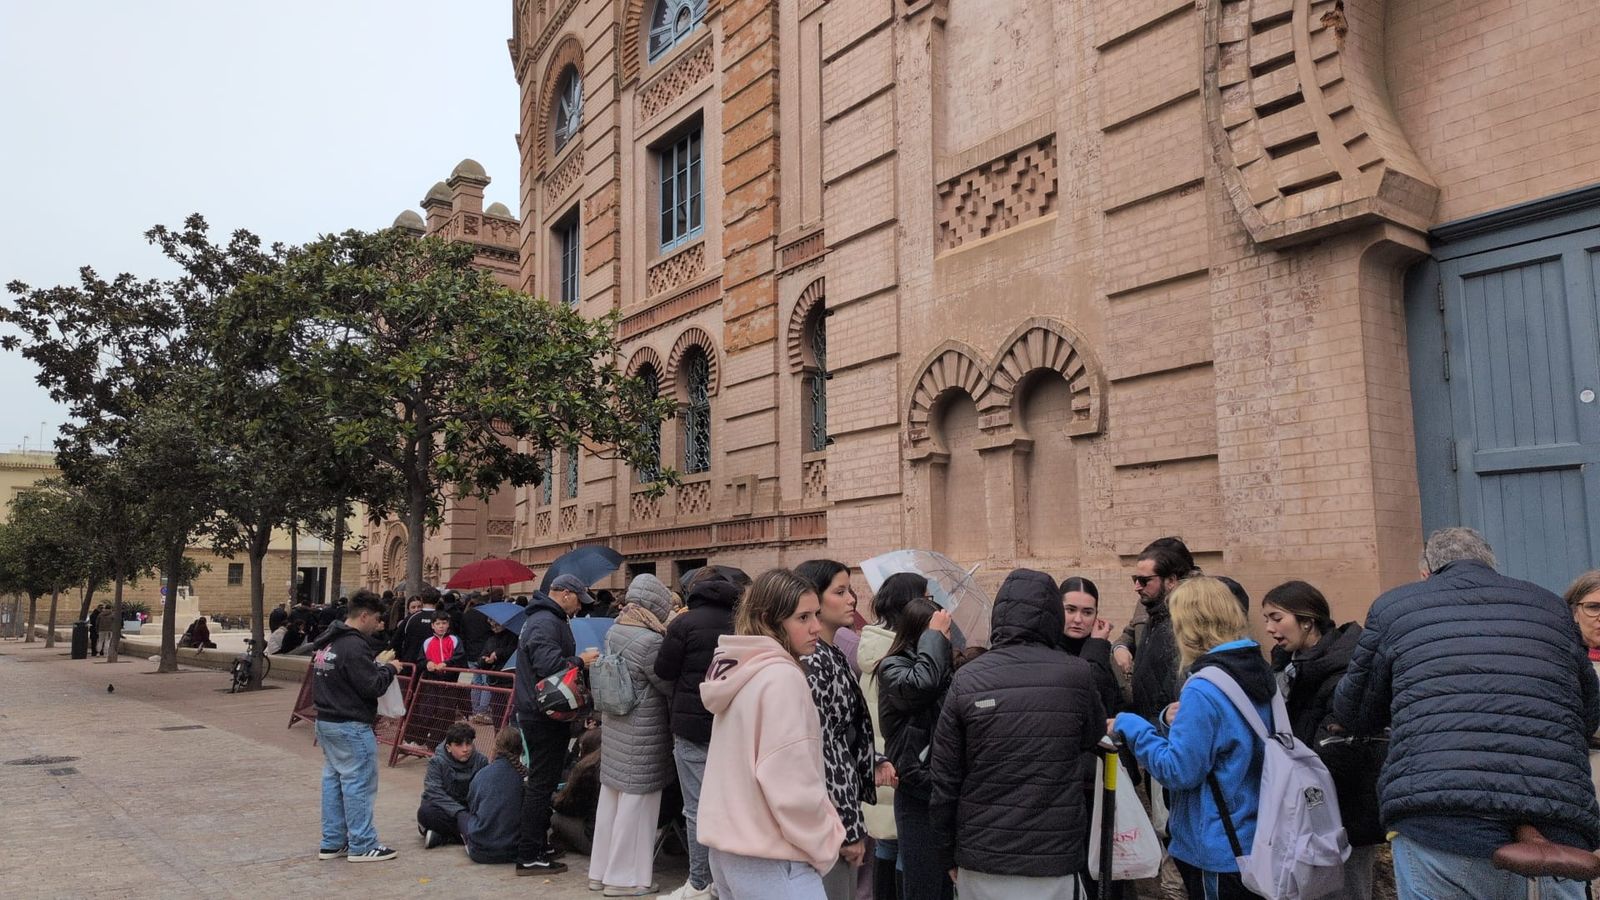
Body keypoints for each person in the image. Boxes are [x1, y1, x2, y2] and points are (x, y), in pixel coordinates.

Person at [1332, 527, 1600, 900]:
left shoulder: (1394, 607)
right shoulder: (1548, 606)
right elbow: (1588, 710)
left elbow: (1355, 711)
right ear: (1491, 564)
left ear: (1426, 573)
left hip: (1441, 817)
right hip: (1554, 824)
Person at [930, 568, 1104, 899]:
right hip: (1053, 855)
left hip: (981, 855)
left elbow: (945, 778)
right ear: (1053, 614)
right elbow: (1091, 736)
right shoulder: (1077, 674)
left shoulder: (968, 679)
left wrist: (946, 851)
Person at [1112, 576, 1271, 900]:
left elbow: (1178, 770)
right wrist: (1168, 720)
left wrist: (1132, 726)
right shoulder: (1255, 670)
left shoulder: (1203, 686)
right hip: (1255, 835)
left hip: (1217, 844)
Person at [698, 568, 846, 899]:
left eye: (816, 614)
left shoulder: (742, 669)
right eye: (802, 617)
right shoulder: (781, 677)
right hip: (774, 855)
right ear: (769, 619)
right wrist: (826, 840)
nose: (815, 627)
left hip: (730, 851)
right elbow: (789, 781)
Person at [1259, 580, 1382, 899]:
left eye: (1276, 618)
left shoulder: (1345, 670)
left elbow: (1337, 751)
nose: (1270, 628)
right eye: (1267, 619)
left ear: (1307, 620)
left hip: (1344, 812)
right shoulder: (1288, 665)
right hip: (1305, 808)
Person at [795, 559, 882, 900]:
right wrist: (848, 826)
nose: (852, 600)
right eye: (840, 592)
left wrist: (874, 759)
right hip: (830, 821)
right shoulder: (815, 661)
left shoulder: (831, 654)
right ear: (813, 598)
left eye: (850, 590)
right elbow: (824, 747)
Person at [654, 572, 742, 900]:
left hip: (691, 727)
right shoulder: (742, 624)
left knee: (696, 808)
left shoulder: (684, 624)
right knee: (732, 806)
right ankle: (726, 880)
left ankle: (700, 882)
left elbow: (663, 670)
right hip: (732, 727)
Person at [590, 574, 676, 896]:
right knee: (638, 806)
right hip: (643, 731)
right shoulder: (651, 641)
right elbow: (666, 683)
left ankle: (599, 872)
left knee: (610, 801)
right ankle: (624, 879)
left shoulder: (615, 629)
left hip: (616, 726)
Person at [309, 589, 405, 863]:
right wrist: (390, 669)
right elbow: (372, 685)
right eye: (376, 618)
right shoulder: (354, 645)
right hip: (349, 723)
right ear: (364, 616)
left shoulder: (329, 641)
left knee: (334, 780)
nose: (379, 624)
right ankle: (362, 843)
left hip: (327, 720)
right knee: (358, 783)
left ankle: (333, 841)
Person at [514, 575, 601, 876]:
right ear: (565, 594)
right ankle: (529, 854)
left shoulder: (546, 619)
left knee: (545, 782)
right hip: (542, 714)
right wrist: (580, 661)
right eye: (578, 600)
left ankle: (538, 844)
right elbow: (549, 665)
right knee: (541, 784)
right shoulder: (545, 622)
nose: (579, 607)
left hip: (542, 712)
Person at [877, 593, 953, 900]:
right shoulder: (892, 667)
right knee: (923, 883)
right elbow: (922, 685)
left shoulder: (940, 667)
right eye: (941, 632)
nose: (947, 638)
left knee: (944, 885)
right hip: (916, 787)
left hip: (943, 786)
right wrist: (934, 639)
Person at [858, 574, 928, 900]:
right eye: (925, 598)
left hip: (879, 762)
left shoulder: (872, 648)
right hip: (900, 763)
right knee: (907, 848)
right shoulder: (904, 658)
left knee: (886, 843)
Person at [417, 721, 488, 849]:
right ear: (449, 747)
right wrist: (459, 812)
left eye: (468, 743)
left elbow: (486, 792)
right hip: (447, 810)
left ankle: (445, 837)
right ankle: (473, 835)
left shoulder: (481, 761)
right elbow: (434, 792)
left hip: (471, 809)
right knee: (426, 812)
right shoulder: (437, 762)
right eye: (459, 745)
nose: (465, 749)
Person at [1057, 576, 1122, 716]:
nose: (1078, 619)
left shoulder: (1103, 651)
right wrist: (1097, 646)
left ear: (1096, 616)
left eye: (1087, 612)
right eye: (1070, 610)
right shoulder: (1045, 649)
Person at [465, 726, 527, 864]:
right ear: (520, 749)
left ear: (496, 747)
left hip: (481, 852)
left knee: (464, 816)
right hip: (514, 850)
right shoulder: (525, 777)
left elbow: (473, 807)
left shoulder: (481, 774)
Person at [472, 619, 517, 724]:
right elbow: (481, 658)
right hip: (496, 681)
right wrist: (484, 661)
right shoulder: (490, 639)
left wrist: (497, 654)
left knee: (513, 715)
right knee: (498, 715)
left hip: (509, 680)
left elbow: (512, 650)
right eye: (492, 624)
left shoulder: (513, 637)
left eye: (497, 624)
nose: (494, 626)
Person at [395, 588, 441, 662]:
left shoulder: (411, 618)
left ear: (422, 600)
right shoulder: (444, 619)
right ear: (438, 601)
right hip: (435, 662)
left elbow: (397, 640)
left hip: (411, 661)